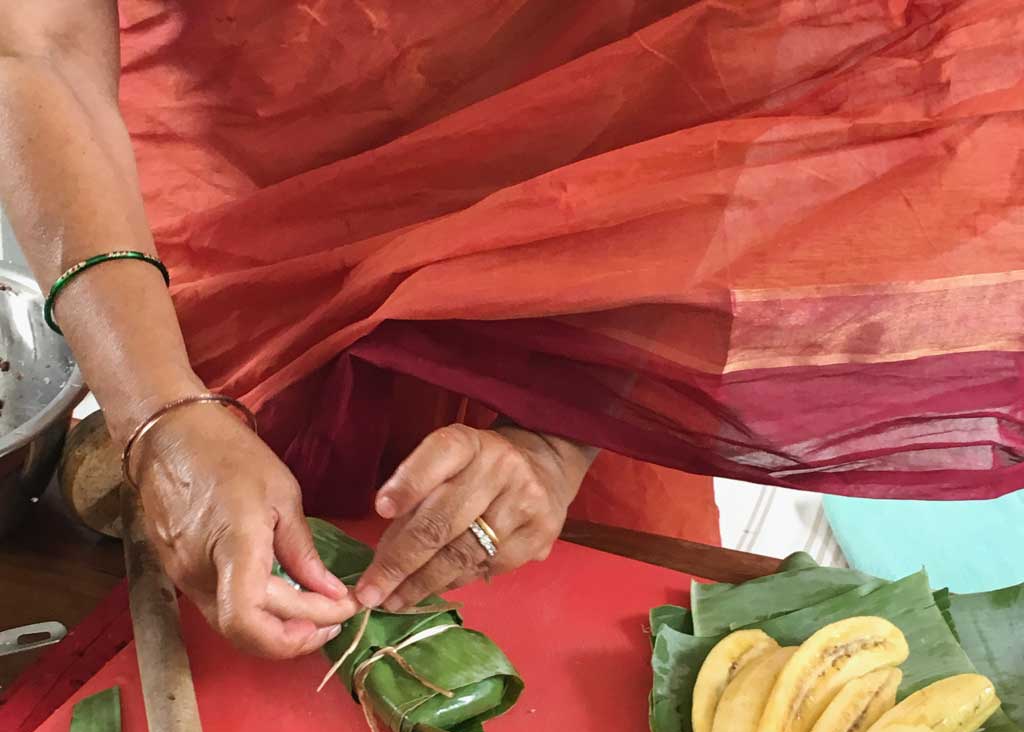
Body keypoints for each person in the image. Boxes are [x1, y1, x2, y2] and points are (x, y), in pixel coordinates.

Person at [3, 2, 1022, 660]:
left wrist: (558, 438)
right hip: (236, 297)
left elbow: (795, 63)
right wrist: (158, 410)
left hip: (606, 322)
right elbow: (38, 47)